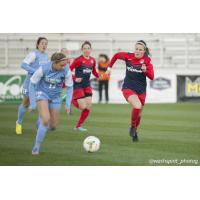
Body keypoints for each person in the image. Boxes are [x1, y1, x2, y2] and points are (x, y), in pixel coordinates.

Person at [107, 40, 154, 142]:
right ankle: (132, 127)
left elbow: (152, 77)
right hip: (128, 88)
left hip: (141, 91)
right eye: (136, 49)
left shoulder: (147, 61)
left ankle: (135, 132)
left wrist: (145, 71)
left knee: (139, 114)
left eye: (140, 50)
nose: (137, 51)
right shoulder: (128, 56)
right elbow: (116, 56)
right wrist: (109, 67)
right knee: (137, 106)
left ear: (143, 51)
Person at [29, 52, 73, 155]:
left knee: (53, 126)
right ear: (54, 62)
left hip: (56, 97)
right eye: (61, 65)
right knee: (45, 119)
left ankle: (39, 123)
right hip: (42, 93)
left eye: (65, 64)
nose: (64, 67)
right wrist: (32, 103)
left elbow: (70, 87)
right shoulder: (43, 69)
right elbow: (32, 84)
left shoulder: (66, 70)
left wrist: (67, 104)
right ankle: (36, 147)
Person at [15, 37, 49, 135]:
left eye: (46, 44)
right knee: (25, 104)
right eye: (42, 43)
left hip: (41, 85)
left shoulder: (46, 56)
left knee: (42, 106)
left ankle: (38, 126)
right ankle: (19, 123)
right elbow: (23, 65)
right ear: (37, 44)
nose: (44, 45)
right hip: (30, 83)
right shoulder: (33, 54)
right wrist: (35, 72)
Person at [70, 41, 99, 131]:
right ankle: (70, 99)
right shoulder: (78, 60)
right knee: (82, 106)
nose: (86, 50)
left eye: (88, 48)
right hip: (78, 85)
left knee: (88, 106)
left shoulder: (93, 60)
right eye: (85, 48)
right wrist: (74, 78)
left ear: (90, 49)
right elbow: (68, 70)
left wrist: (99, 76)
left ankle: (78, 126)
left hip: (87, 84)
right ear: (82, 49)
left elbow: (93, 71)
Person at [61, 48, 72, 115]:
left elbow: (69, 69)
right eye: (63, 51)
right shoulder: (58, 60)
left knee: (69, 93)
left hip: (66, 78)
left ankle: (68, 108)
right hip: (60, 79)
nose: (65, 53)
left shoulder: (68, 60)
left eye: (66, 51)